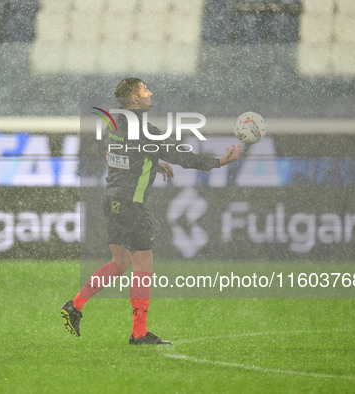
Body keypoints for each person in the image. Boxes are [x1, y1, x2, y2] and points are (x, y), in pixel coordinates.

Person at [61, 77, 241, 345]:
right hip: (131, 205)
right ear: (134, 99)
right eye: (145, 90)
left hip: (111, 200)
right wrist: (218, 162)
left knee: (121, 262)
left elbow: (122, 152)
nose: (150, 93)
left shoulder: (114, 123)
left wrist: (152, 162)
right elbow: (182, 156)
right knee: (143, 264)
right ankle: (139, 333)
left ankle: (75, 305)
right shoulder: (145, 130)